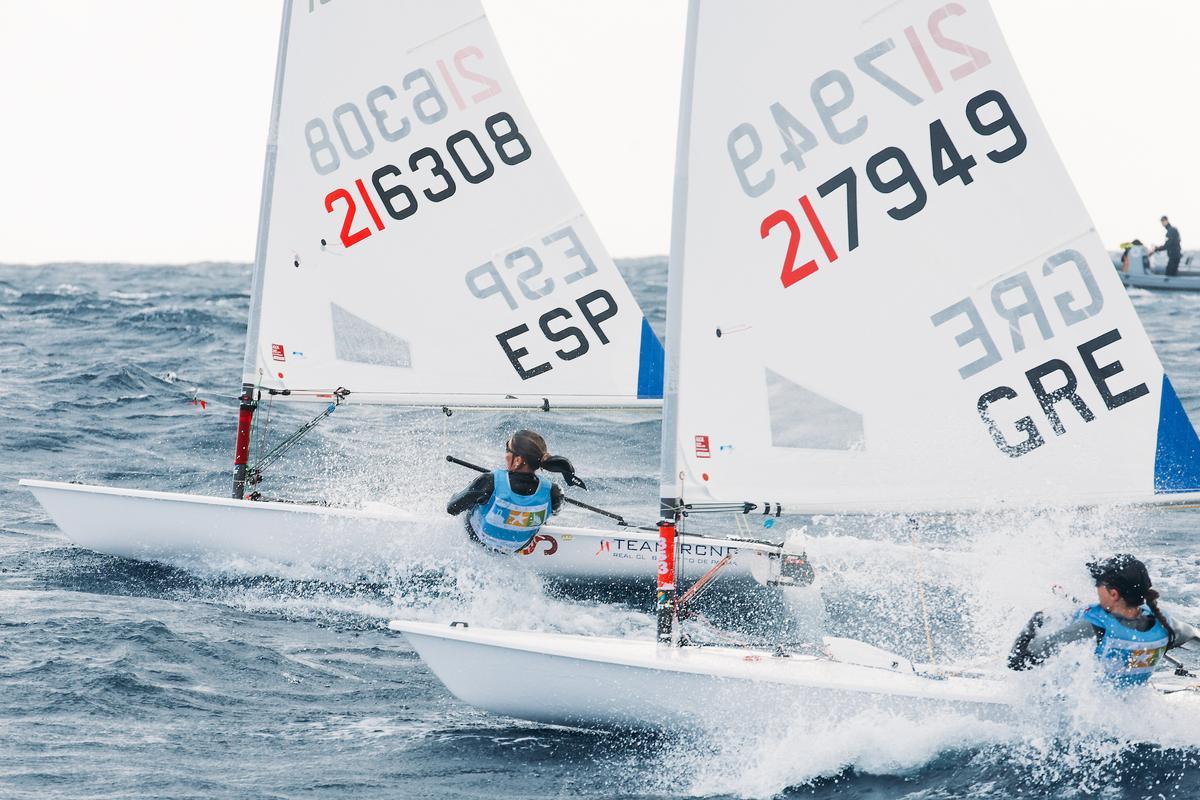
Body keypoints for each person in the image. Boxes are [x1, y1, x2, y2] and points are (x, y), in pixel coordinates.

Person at [1008, 554, 1198, 686]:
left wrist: (1038, 619)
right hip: (1134, 704)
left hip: (1093, 715)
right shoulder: (1166, 623)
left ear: (1113, 593)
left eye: (1099, 584)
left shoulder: (1091, 626)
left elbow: (1018, 660)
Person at [446, 430, 582, 553]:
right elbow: (556, 510)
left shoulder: (490, 481)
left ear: (517, 460)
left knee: (475, 500)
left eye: (507, 449)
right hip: (517, 547)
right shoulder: (554, 491)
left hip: (479, 540)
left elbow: (452, 509)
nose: (505, 454)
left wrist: (469, 491)